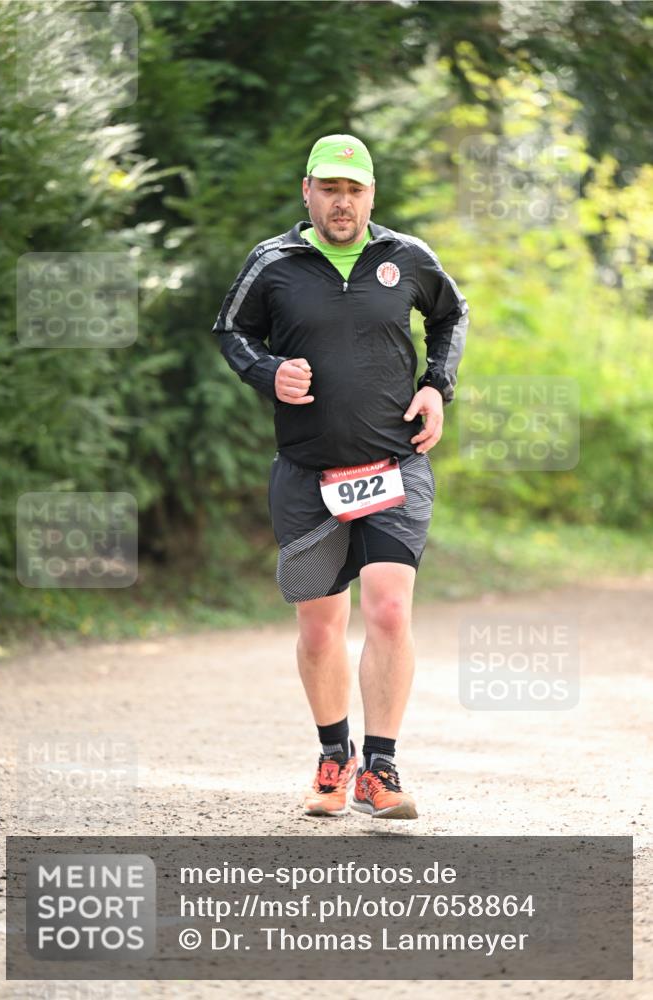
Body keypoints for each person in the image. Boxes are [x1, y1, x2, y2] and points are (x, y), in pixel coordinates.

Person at [214, 134, 468, 820]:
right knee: (322, 628)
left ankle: (379, 768)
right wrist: (266, 371)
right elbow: (231, 331)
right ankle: (334, 755)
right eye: (329, 189)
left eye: (354, 190)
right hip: (307, 474)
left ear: (371, 196)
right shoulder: (273, 263)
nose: (341, 202)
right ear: (307, 192)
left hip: (394, 465)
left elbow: (451, 315)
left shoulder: (407, 259)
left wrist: (436, 385)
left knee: (388, 607)